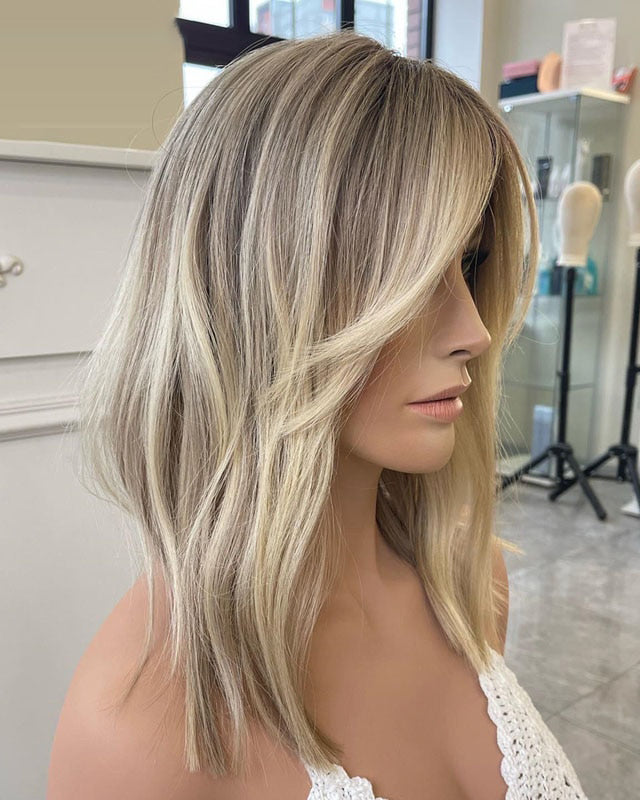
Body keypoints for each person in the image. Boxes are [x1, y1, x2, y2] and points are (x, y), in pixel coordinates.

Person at [47, 29, 589, 800]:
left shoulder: (470, 583)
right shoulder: (140, 729)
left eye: (468, 264)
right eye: (404, 277)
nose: (473, 330)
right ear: (252, 299)